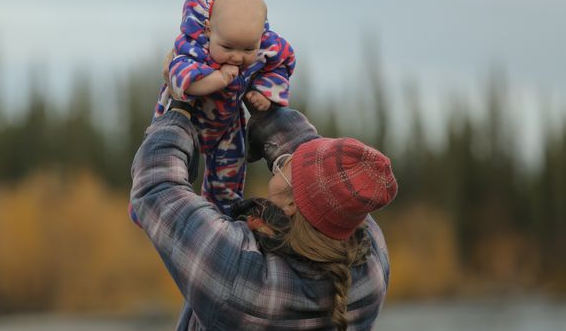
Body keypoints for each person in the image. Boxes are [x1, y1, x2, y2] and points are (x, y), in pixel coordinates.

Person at [130, 101, 398, 330]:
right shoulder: (371, 265)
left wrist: (179, 108)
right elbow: (327, 177)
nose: (284, 160)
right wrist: (261, 101)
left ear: (292, 204)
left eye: (286, 164)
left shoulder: (242, 277)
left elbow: (157, 186)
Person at [133, 0, 295, 226]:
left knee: (229, 176)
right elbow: (180, 80)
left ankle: (222, 216)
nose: (238, 57)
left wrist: (264, 92)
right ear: (209, 30)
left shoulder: (263, 47)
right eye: (228, 47)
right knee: (169, 167)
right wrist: (218, 78)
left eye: (247, 50)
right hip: (184, 120)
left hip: (227, 124)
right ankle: (145, 210)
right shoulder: (194, 49)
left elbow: (280, 64)